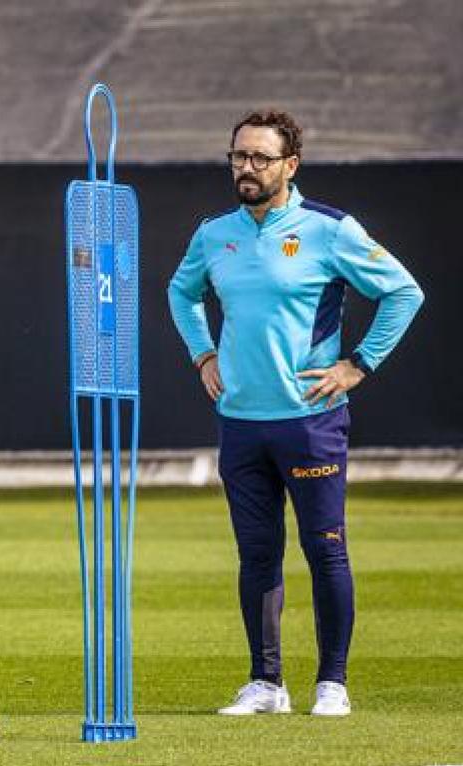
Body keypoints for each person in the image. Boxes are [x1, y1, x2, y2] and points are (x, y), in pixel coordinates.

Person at [168, 108, 424, 717]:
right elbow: (181, 292)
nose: (247, 168)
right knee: (256, 554)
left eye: (260, 157)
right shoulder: (214, 233)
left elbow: (404, 291)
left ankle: (331, 683)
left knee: (325, 547)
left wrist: (356, 366)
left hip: (311, 421)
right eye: (238, 156)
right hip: (240, 422)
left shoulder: (330, 230)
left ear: (290, 165)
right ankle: (266, 684)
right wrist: (203, 353)